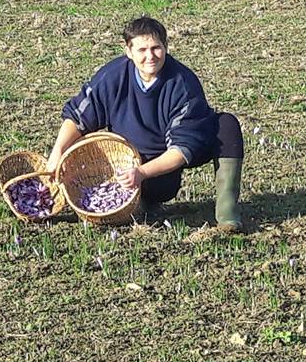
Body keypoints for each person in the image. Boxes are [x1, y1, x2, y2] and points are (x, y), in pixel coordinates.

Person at [46, 16, 244, 230]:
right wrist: (56, 153)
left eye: (156, 48)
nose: (150, 56)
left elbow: (182, 147)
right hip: (130, 156)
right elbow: (78, 116)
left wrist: (142, 173)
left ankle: (227, 214)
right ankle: (141, 204)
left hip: (168, 157)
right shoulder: (113, 76)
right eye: (142, 50)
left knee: (226, 125)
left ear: (166, 47)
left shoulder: (182, 82)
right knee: (150, 193)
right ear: (128, 51)